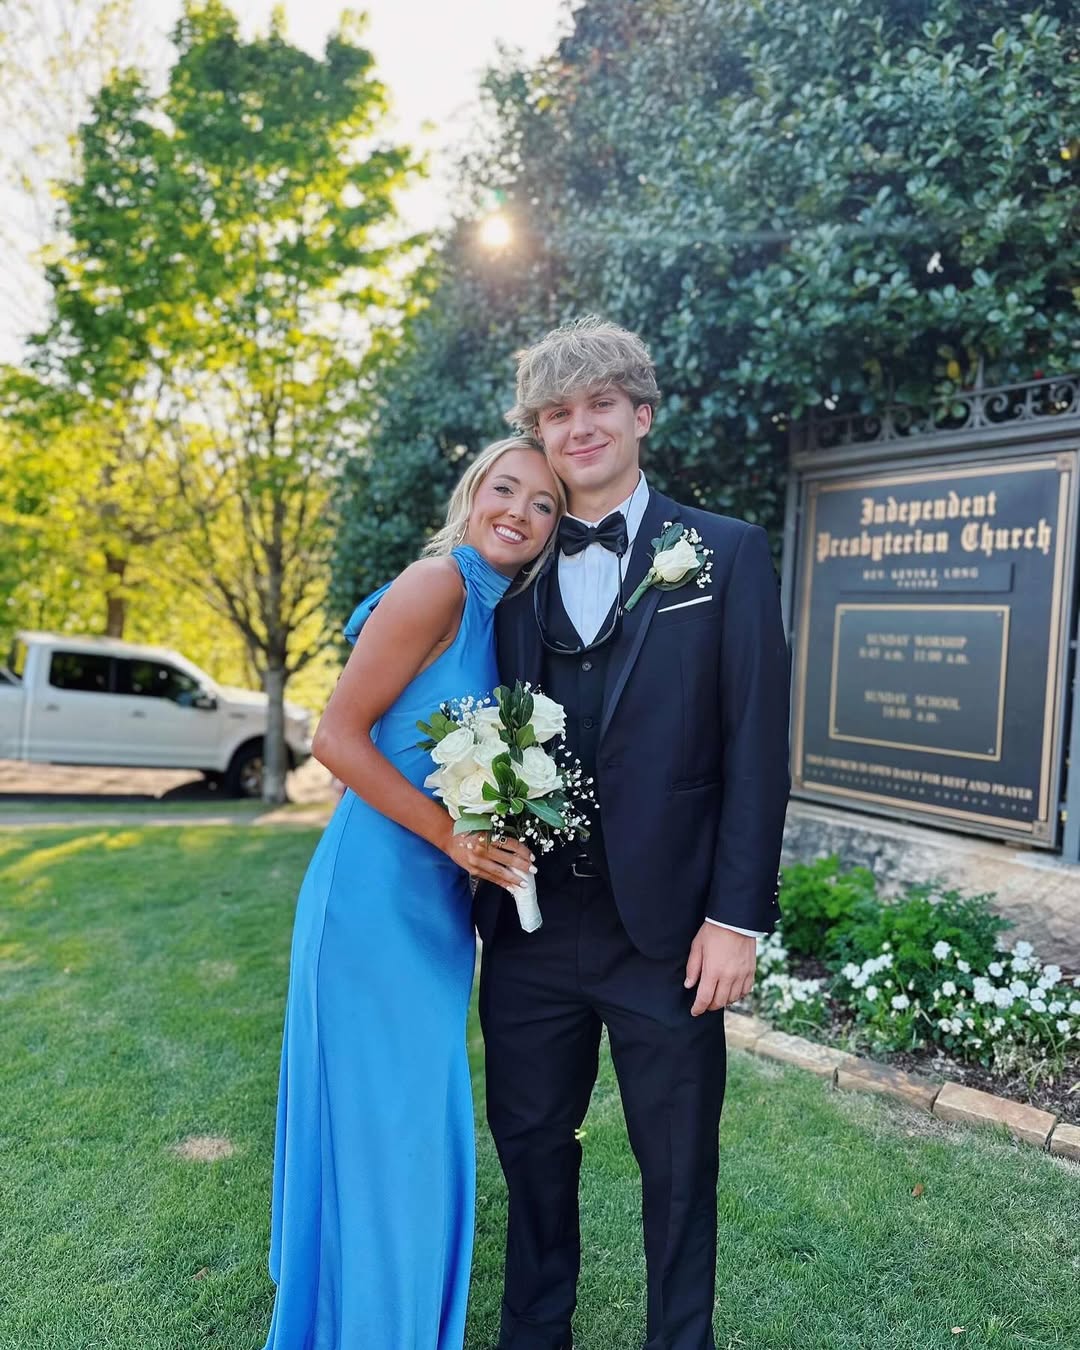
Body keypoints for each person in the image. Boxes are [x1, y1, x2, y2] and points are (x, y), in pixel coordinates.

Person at [474, 318, 791, 1350]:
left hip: (669, 934)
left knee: (679, 1167)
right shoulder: (508, 565)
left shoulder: (727, 554)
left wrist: (735, 921)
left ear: (641, 415)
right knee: (530, 1150)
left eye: (600, 404)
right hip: (529, 926)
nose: (578, 428)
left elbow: (756, 750)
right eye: (556, 413)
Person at [262, 436, 564, 1350]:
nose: (519, 511)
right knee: (387, 1130)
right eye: (505, 488)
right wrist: (451, 837)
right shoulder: (438, 584)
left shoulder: (504, 615)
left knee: (410, 1126)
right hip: (369, 900)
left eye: (544, 504)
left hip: (434, 911)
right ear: (473, 494)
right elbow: (336, 738)